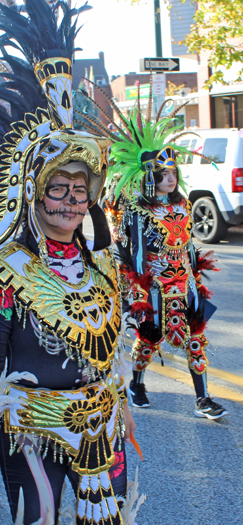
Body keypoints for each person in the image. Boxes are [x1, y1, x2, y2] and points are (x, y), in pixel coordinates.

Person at [0, 2, 140, 525]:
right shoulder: (5, 272)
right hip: (34, 434)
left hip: (103, 428)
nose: (72, 202)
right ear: (33, 194)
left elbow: (114, 339)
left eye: (81, 191)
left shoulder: (101, 261)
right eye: (58, 189)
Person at [78, 82, 228, 420]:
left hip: (185, 282)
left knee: (195, 337)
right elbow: (139, 253)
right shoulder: (138, 210)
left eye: (174, 173)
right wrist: (141, 291)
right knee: (151, 337)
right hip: (157, 283)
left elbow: (188, 244)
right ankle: (137, 383)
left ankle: (202, 398)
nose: (170, 179)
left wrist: (195, 276)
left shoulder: (184, 205)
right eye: (164, 174)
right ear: (151, 175)